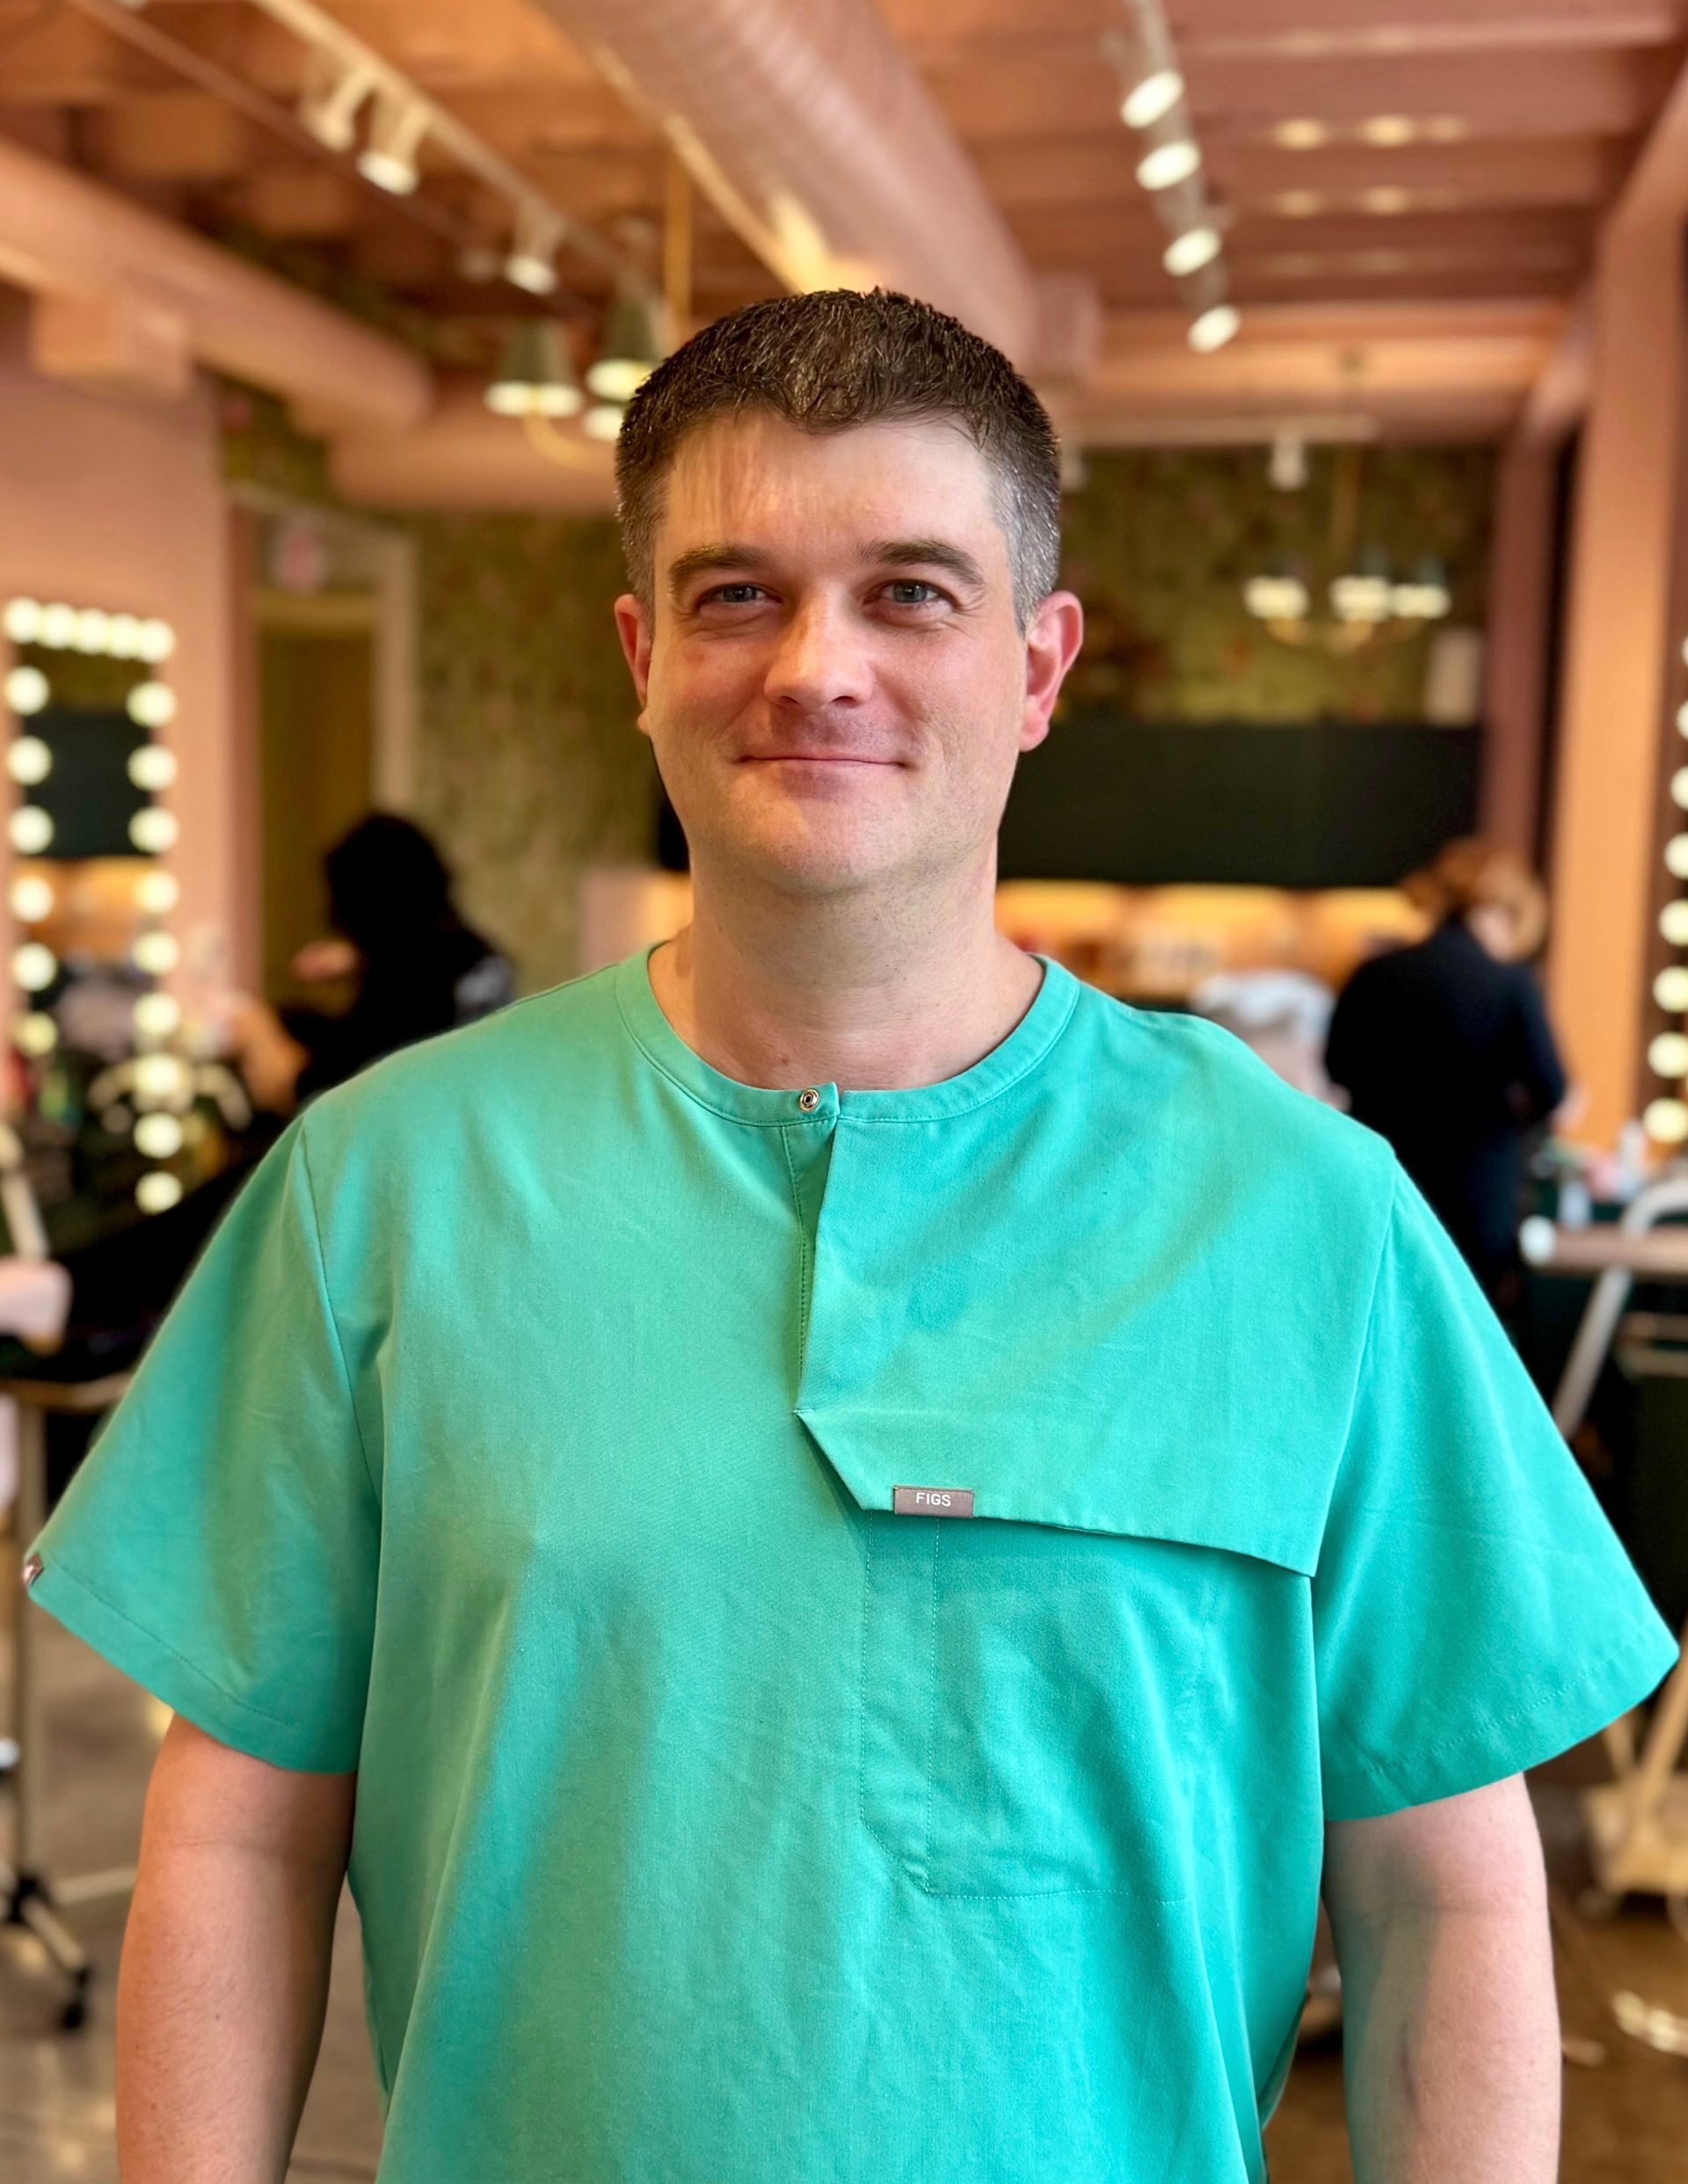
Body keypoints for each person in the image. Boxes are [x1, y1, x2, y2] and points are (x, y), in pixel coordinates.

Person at [24, 293, 1674, 2184]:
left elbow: (1443, 1895)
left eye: (912, 591)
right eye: (738, 593)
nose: (818, 665)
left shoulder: (1306, 1220)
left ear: (1039, 665)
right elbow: (240, 1827)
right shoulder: (386, 1182)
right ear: (641, 657)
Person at [1324, 837, 1573, 1307]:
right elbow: (1552, 1088)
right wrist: (1509, 1116)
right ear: (1503, 910)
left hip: (1385, 1180)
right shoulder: (1510, 984)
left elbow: (1337, 1066)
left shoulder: (1375, 975)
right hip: (1479, 1192)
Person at [224, 812, 516, 1111]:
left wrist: (256, 1025)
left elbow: (302, 1092)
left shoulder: (404, 985)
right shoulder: (477, 954)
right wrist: (355, 960)